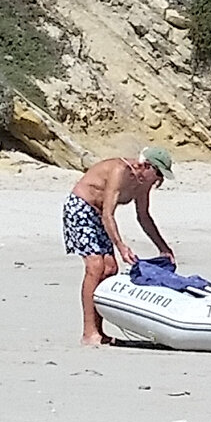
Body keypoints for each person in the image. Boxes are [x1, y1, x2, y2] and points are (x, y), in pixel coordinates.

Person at [66, 147, 177, 347]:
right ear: (147, 166)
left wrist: (163, 248)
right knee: (95, 267)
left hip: (99, 216)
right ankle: (89, 332)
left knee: (110, 268)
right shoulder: (120, 171)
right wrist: (121, 246)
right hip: (81, 208)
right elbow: (108, 214)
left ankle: (100, 331)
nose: (159, 180)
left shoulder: (143, 182)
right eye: (158, 173)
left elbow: (143, 216)